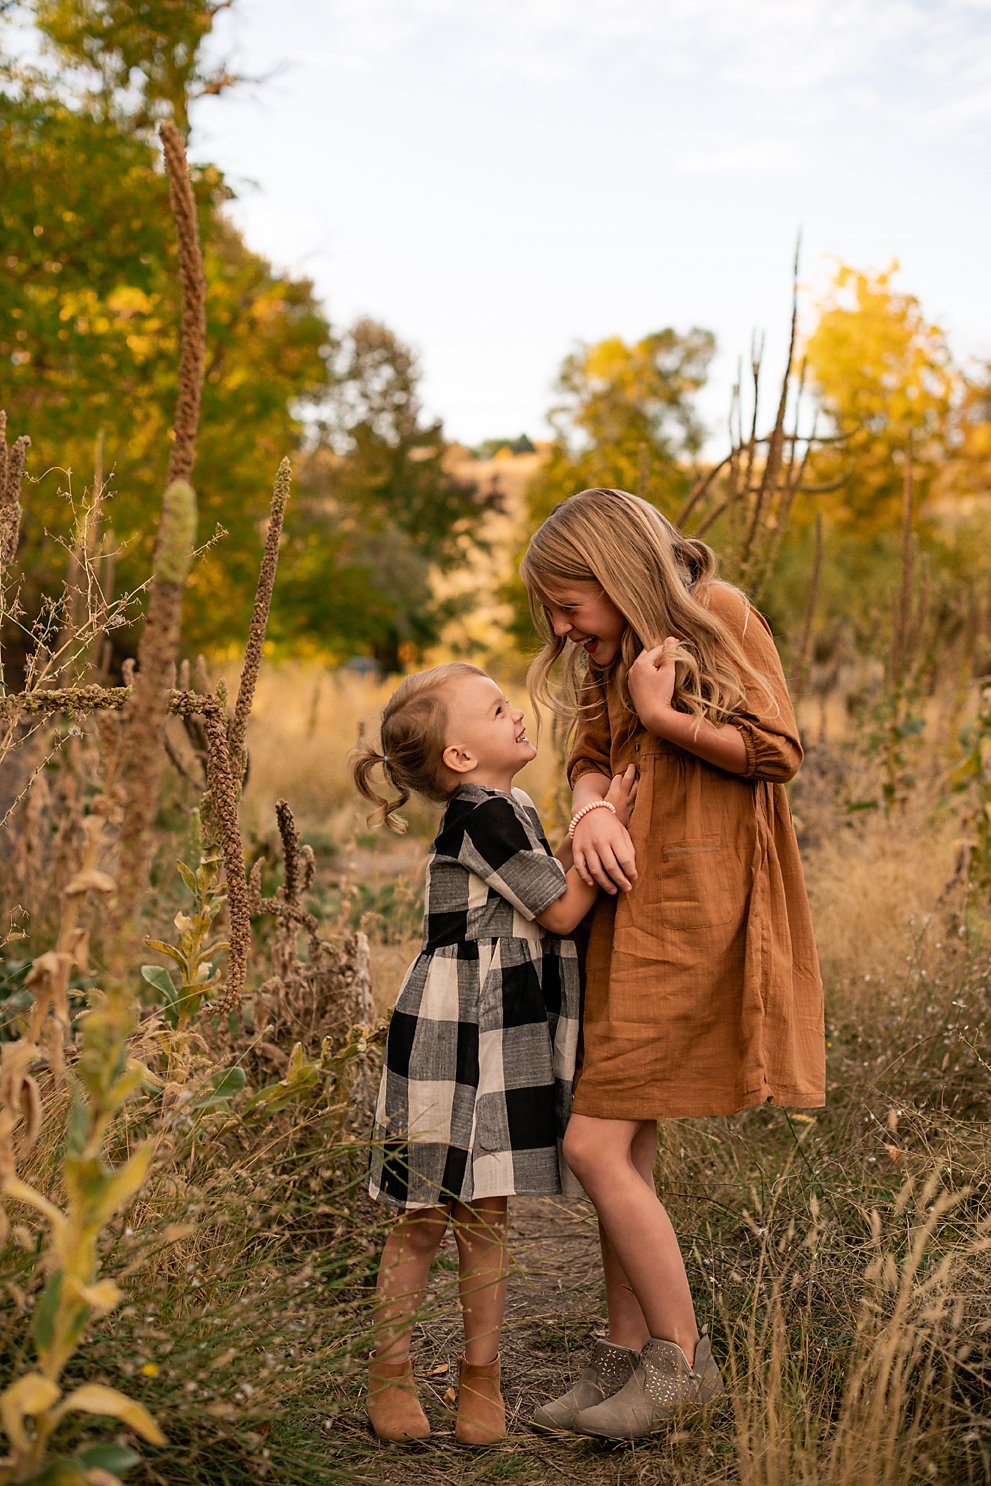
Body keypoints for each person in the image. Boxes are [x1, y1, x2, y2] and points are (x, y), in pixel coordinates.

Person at [520, 488, 825, 1441]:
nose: (565, 632)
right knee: (629, 1144)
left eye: (573, 607)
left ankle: (681, 1364)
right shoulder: (603, 661)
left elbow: (775, 751)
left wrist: (663, 714)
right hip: (623, 912)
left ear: (621, 575)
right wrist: (594, 809)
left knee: (591, 1145)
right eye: (554, 616)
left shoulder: (717, 617)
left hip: (698, 912)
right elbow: (586, 755)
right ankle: (621, 1357)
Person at [350, 662, 637, 1447]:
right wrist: (609, 811)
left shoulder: (516, 805)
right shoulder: (482, 817)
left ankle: (480, 1377)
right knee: (421, 1215)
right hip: (451, 1031)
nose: (516, 715)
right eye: (497, 709)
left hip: (503, 1027)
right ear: (459, 760)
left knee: (487, 1212)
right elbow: (566, 908)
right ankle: (391, 1369)